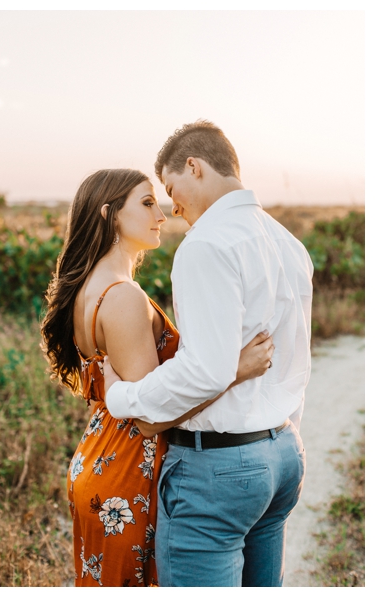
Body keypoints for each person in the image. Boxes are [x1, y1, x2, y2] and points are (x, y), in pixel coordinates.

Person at [40, 168, 275, 587]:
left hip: (100, 456)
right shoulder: (123, 296)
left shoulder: (91, 289)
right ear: (109, 214)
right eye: (147, 203)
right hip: (130, 472)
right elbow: (153, 415)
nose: (161, 215)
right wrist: (234, 371)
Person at [103, 121, 313, 587]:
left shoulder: (206, 244)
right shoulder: (289, 244)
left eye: (171, 187)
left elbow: (205, 370)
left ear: (194, 167)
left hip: (220, 470)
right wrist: (280, 435)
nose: (170, 205)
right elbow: (297, 358)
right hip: (281, 454)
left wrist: (124, 398)